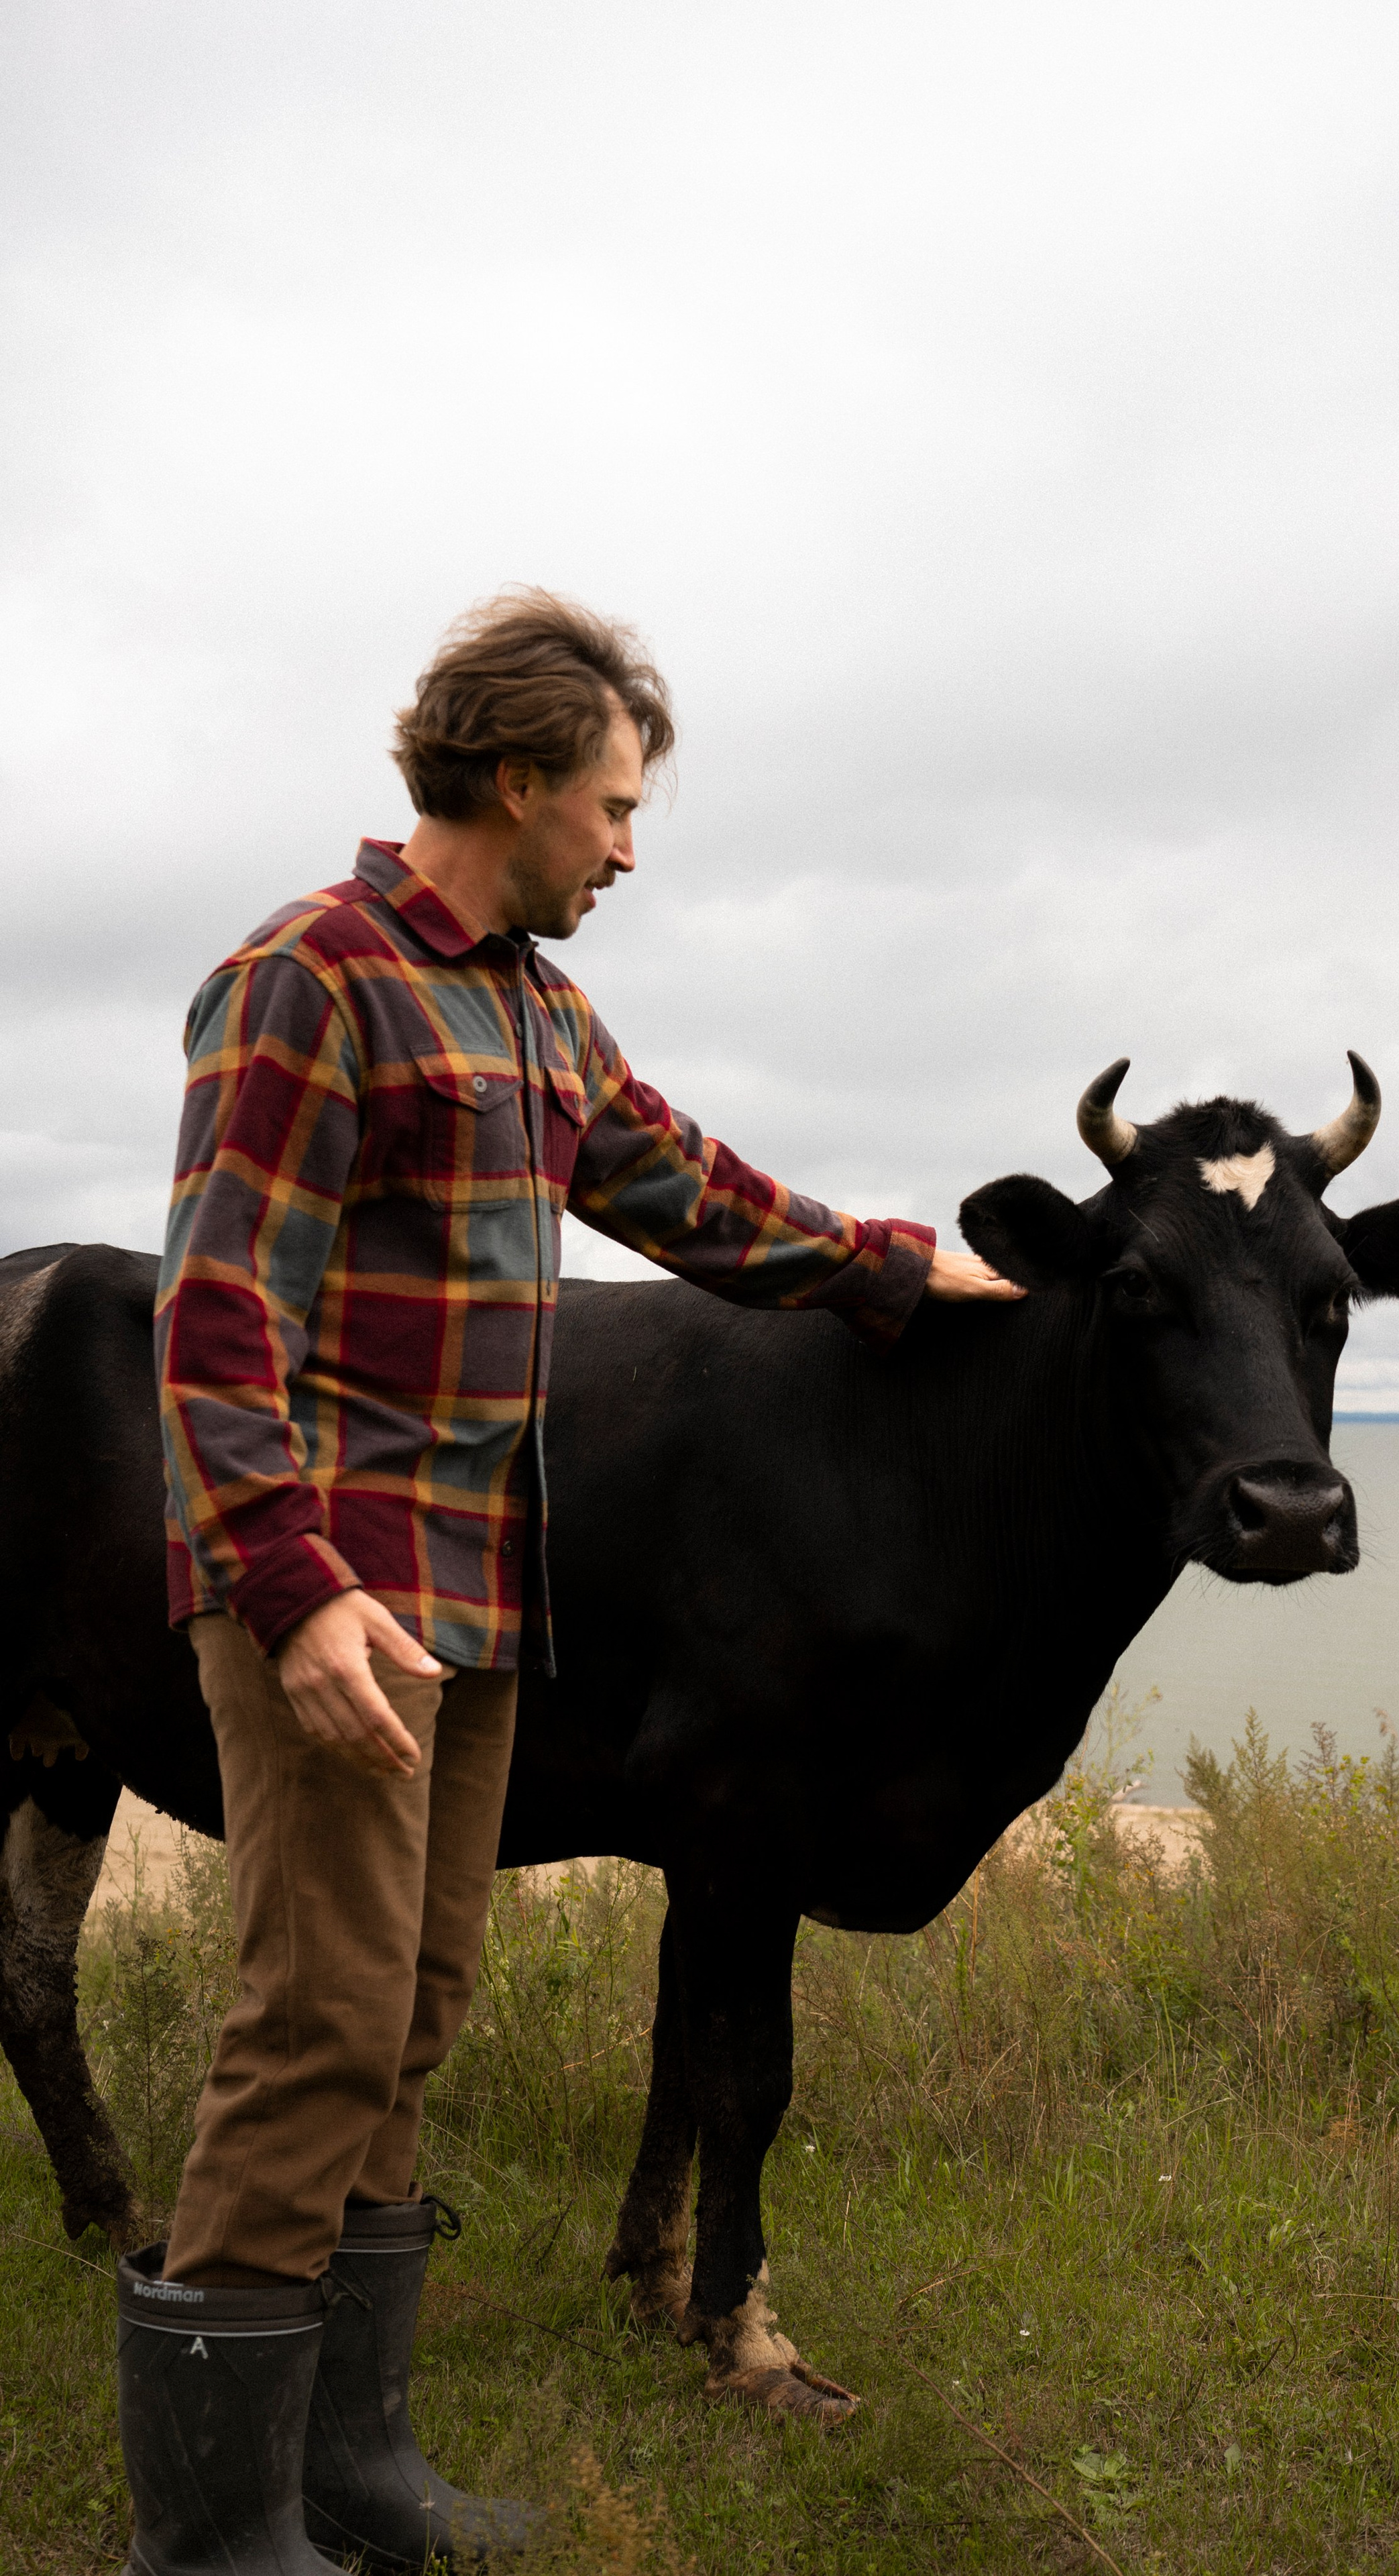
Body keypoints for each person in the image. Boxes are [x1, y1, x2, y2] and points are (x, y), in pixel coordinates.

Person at [117, 590, 1019, 2573]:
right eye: (612, 806)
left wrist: (902, 1265)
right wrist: (286, 1579)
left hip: (482, 1597)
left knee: (416, 2013)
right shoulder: (308, 977)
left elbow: (686, 1185)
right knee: (317, 2020)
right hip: (337, 1600)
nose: (630, 846)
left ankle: (352, 2467)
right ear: (513, 782)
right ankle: (209, 2540)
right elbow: (212, 1315)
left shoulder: (530, 1004)